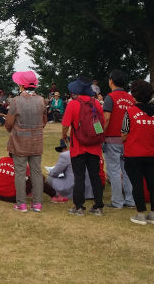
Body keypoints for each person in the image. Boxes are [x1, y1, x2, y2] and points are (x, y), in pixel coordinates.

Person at [61, 77, 105, 216]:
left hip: (78, 146)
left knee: (79, 176)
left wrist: (63, 136)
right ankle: (98, 206)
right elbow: (101, 123)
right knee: (95, 176)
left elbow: (65, 125)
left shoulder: (73, 104)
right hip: (94, 145)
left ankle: (78, 206)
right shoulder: (96, 103)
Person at [5, 71, 47, 213]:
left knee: (20, 172)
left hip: (19, 141)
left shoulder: (16, 101)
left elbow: (9, 123)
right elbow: (44, 121)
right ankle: (38, 203)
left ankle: (21, 204)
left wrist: (11, 129)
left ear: (21, 85)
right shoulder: (42, 100)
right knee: (36, 171)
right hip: (36, 140)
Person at [120, 80, 154, 225]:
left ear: (134, 95)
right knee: (153, 184)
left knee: (137, 184)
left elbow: (124, 133)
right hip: (151, 153)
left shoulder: (130, 111)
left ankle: (140, 214)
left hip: (133, 154)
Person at [102, 69, 136, 209]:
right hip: (127, 139)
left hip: (112, 138)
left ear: (111, 81)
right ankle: (130, 200)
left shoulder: (110, 97)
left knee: (114, 171)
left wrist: (100, 134)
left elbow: (107, 118)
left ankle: (117, 202)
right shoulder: (130, 99)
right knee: (127, 171)